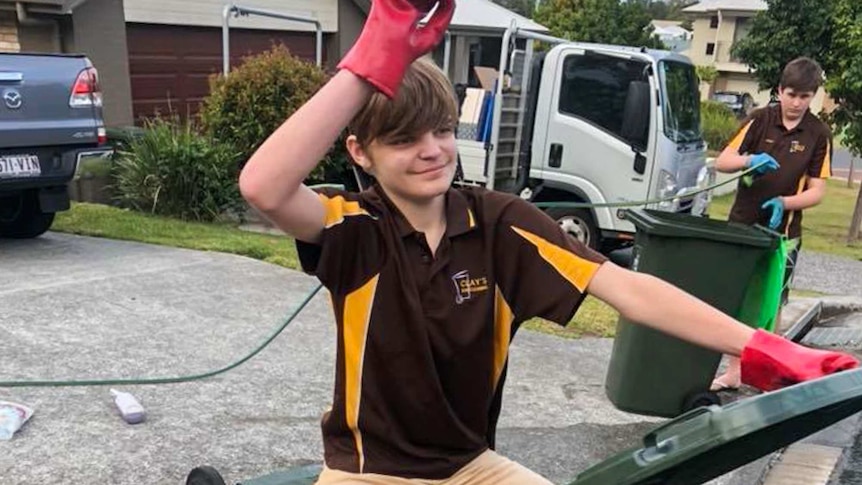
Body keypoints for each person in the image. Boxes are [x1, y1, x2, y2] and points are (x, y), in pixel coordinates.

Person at [239, 3, 856, 483]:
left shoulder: (500, 223)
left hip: (471, 468)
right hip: (369, 474)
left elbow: (630, 290)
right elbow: (264, 186)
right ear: (361, 153)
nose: (431, 150)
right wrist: (370, 62)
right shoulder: (355, 228)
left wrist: (761, 345)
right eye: (404, 140)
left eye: (442, 130)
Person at [710, 57, 834, 392]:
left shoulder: (818, 134)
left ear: (813, 97)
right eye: (791, 94)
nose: (796, 103)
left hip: (784, 235)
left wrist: (785, 202)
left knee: (771, 305)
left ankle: (764, 375)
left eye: (805, 96)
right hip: (743, 226)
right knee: (737, 299)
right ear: (780, 90)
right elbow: (722, 161)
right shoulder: (760, 120)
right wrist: (749, 160)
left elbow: (817, 192)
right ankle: (734, 371)